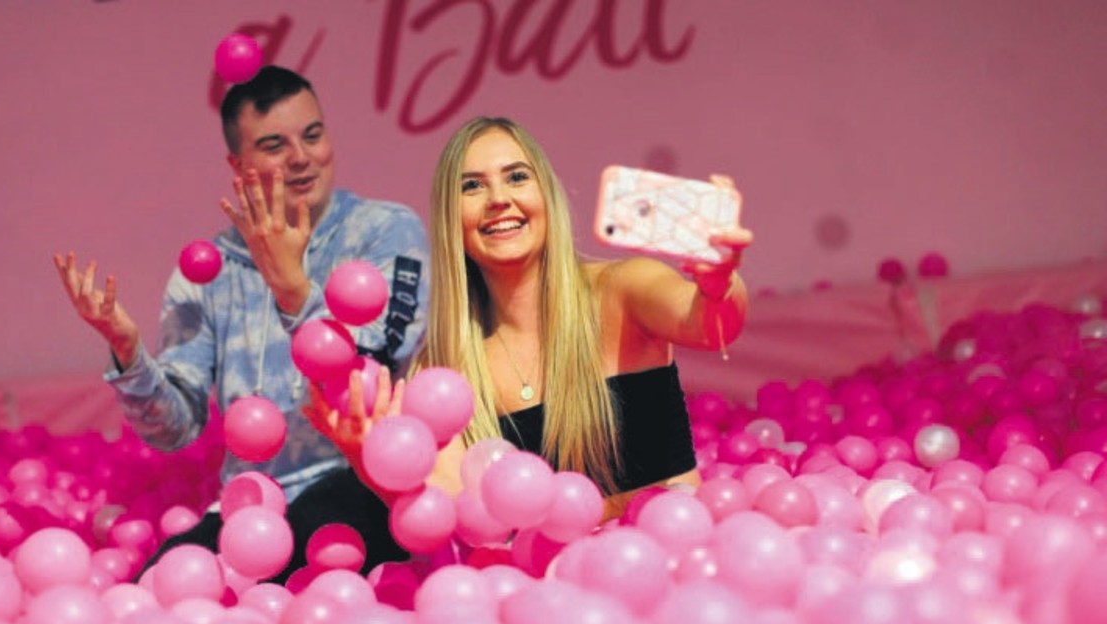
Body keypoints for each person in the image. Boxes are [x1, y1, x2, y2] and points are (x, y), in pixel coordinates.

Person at [310, 115, 751, 563]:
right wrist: (369, 461)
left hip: (673, 568)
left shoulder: (622, 289)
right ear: (450, 220)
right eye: (472, 187)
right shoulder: (444, 371)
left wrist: (719, 284)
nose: (499, 199)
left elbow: (709, 324)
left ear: (546, 194)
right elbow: (450, 522)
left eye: (517, 177)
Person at [53, 66, 427, 579]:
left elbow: (380, 364)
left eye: (312, 135)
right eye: (274, 144)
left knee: (301, 565)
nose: (301, 157)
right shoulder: (207, 272)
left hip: (361, 481)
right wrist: (128, 353)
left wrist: (292, 288)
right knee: (160, 585)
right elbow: (175, 429)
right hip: (251, 507)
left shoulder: (386, 232)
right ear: (239, 164)